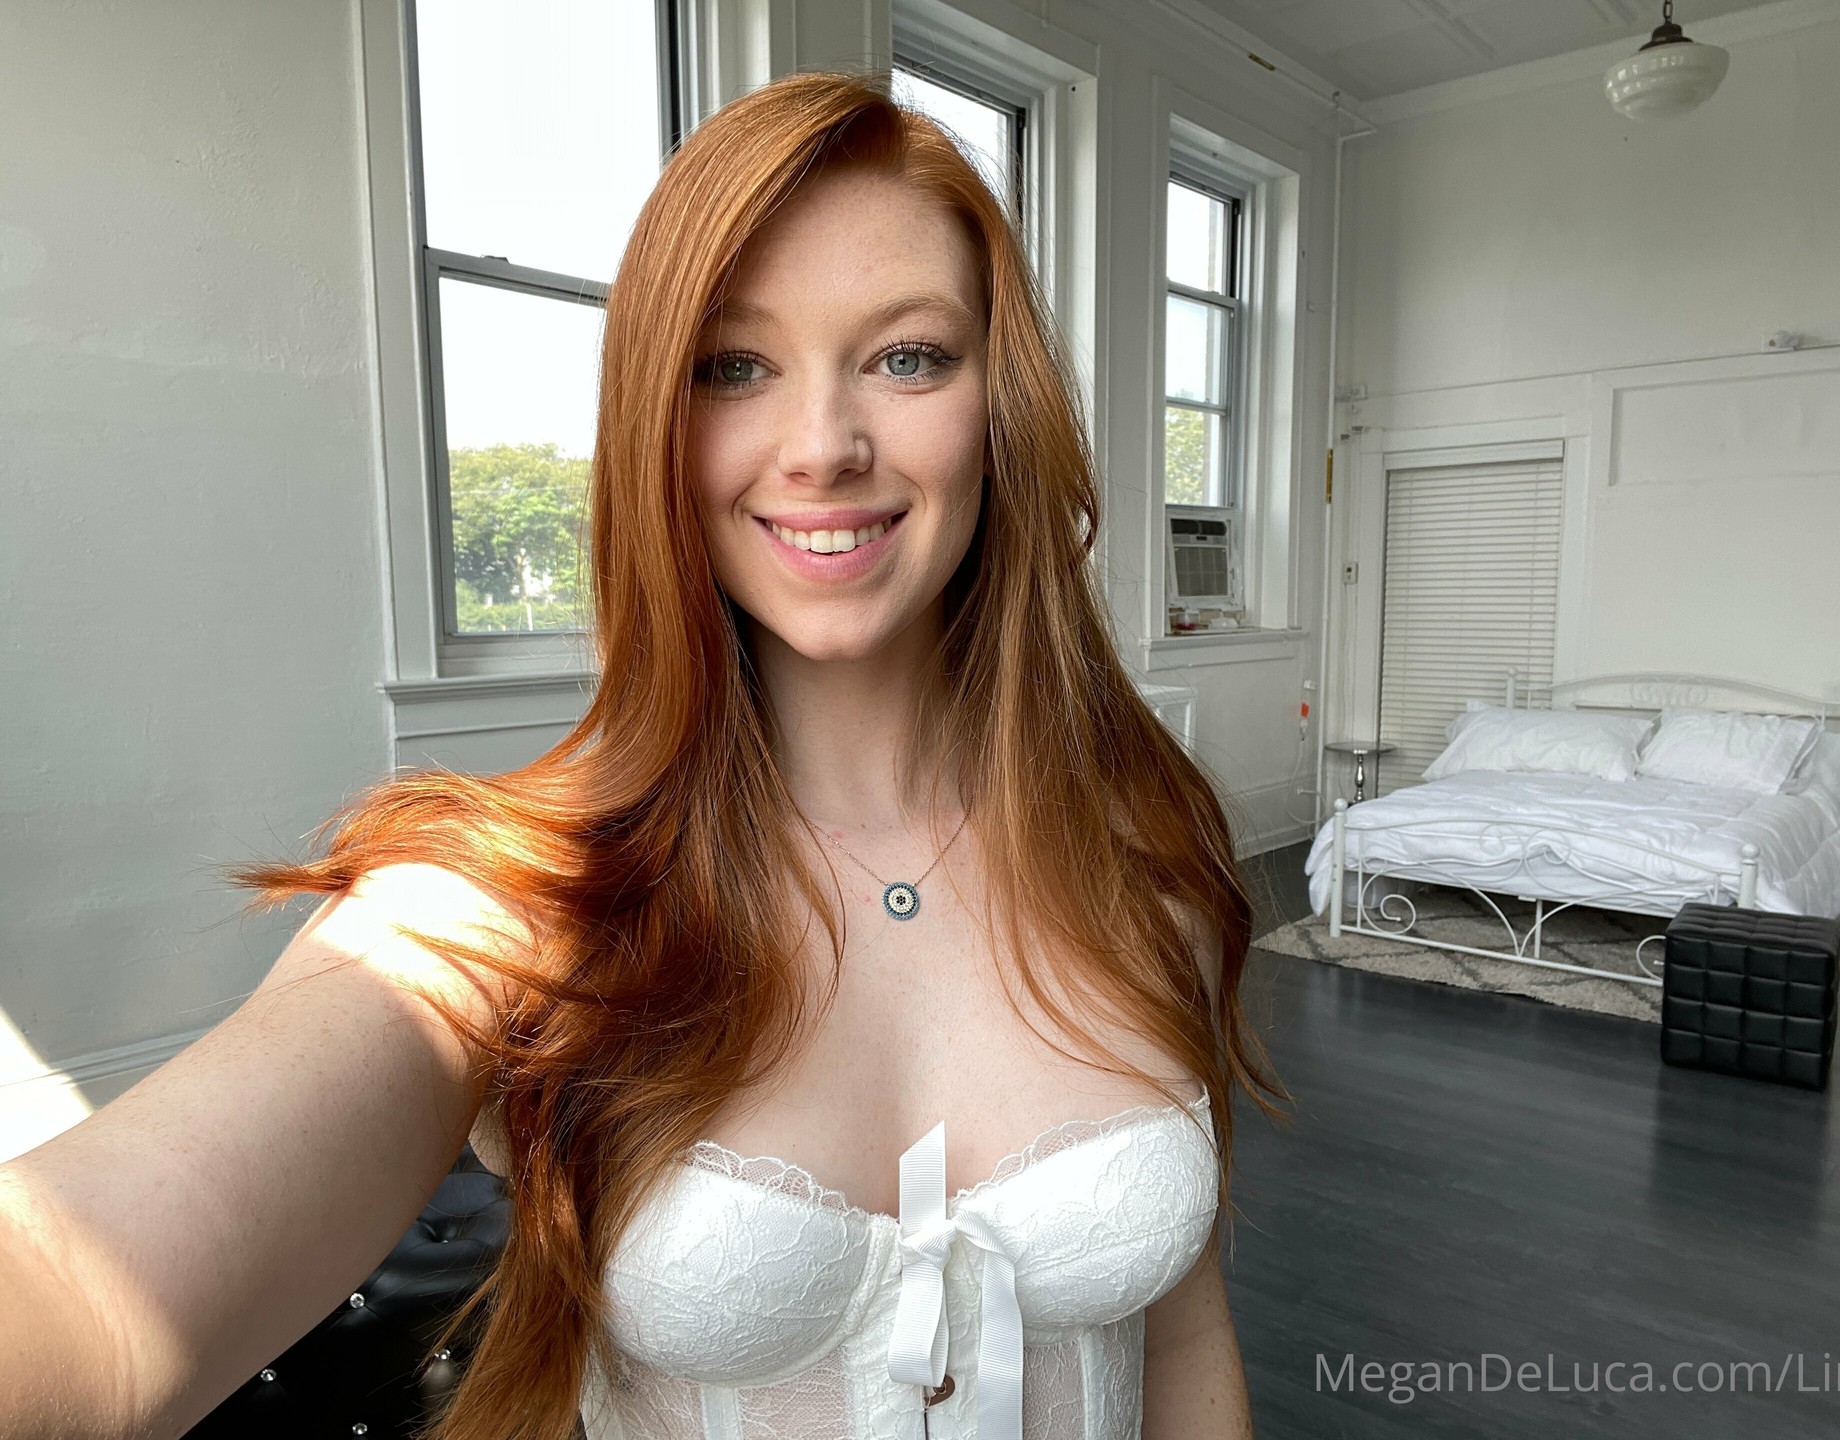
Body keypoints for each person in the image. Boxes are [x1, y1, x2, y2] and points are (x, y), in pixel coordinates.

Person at [0, 68, 1289, 1440]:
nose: (823, 447)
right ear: (654, 422)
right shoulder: (515, 908)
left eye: (908, 357)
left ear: (1001, 406)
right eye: (735, 366)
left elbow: (1183, 1336)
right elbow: (84, 1303)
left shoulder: (1143, 845)